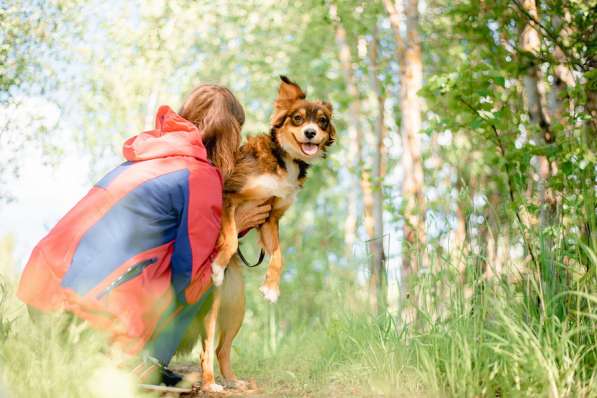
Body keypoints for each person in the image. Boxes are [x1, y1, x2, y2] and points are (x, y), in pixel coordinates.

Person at [17, 84, 270, 385]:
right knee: (208, 278)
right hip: (84, 312)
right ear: (229, 133)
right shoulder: (199, 175)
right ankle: (146, 367)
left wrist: (233, 227)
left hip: (41, 292)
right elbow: (191, 278)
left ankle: (90, 359)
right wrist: (232, 230)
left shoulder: (148, 159)